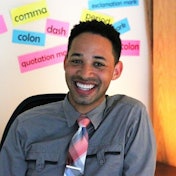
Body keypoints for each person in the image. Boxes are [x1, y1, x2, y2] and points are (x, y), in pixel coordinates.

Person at [0, 20, 156, 176]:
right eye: (76, 61)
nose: (85, 73)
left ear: (116, 71)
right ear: (65, 63)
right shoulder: (24, 125)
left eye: (98, 64)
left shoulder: (130, 117)